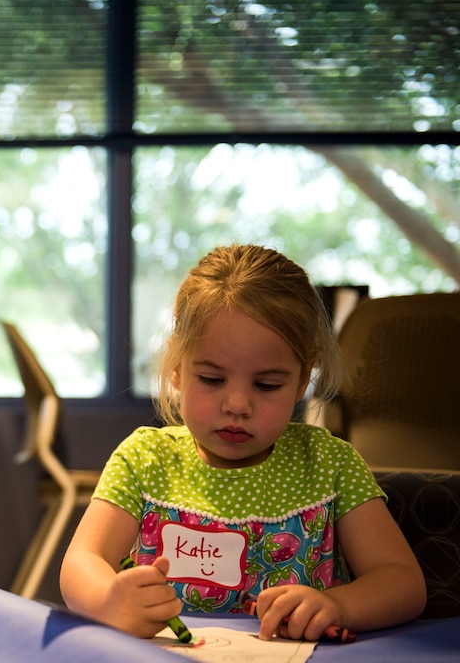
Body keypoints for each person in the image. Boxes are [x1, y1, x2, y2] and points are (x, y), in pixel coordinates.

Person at [60, 244, 425, 642]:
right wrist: (109, 599)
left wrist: (340, 606)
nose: (237, 405)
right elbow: (80, 563)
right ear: (178, 369)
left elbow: (402, 582)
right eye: (212, 380)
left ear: (303, 379)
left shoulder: (329, 465)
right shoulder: (144, 459)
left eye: (267, 385)